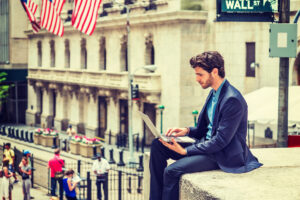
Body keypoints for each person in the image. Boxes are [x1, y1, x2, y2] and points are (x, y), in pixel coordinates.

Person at [149, 51, 263, 200]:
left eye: (200, 74)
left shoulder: (232, 100)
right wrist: (186, 130)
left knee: (171, 171)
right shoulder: (214, 93)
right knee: (158, 145)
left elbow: (221, 141)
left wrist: (185, 152)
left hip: (221, 154)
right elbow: (205, 129)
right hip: (205, 146)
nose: (197, 79)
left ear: (214, 72)